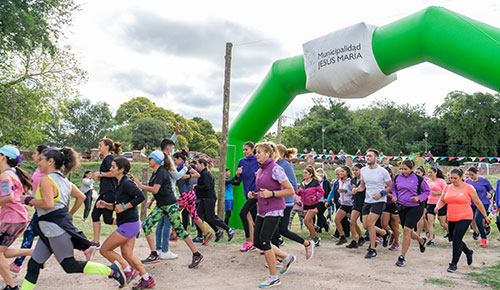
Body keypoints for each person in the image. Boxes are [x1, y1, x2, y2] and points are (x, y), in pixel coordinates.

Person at [20, 147, 126, 290]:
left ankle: (112, 270)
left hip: (54, 231)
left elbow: (48, 204)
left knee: (70, 265)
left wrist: (28, 200)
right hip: (50, 231)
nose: (38, 163)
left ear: (50, 161)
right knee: (33, 264)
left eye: (41, 160)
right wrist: (68, 214)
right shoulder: (64, 180)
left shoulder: (46, 180)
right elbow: (80, 197)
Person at [135, 150, 205, 269]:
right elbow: (156, 190)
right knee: (146, 225)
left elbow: (155, 189)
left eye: (150, 159)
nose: (148, 161)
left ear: (157, 160)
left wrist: (141, 186)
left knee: (180, 230)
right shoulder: (155, 172)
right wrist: (151, 201)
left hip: (170, 205)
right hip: (161, 205)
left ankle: (196, 254)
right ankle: (153, 254)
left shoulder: (162, 172)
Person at [97, 157, 155, 289]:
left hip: (129, 224)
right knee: (127, 255)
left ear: (121, 169)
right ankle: (147, 279)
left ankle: (128, 271)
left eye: (113, 167)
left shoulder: (127, 183)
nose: (110, 169)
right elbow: (118, 206)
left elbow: (140, 197)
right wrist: (106, 205)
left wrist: (125, 206)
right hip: (128, 223)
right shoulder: (119, 183)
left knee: (105, 250)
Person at [248, 142, 295, 288]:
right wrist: (255, 195)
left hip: (274, 209)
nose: (257, 155)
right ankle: (286, 257)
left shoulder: (276, 169)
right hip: (263, 208)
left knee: (264, 241)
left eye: (259, 152)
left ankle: (274, 277)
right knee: (257, 242)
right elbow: (264, 189)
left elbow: (290, 190)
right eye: (256, 152)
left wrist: (272, 194)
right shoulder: (262, 169)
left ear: (268, 153)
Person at [435, 169, 491, 272]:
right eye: (450, 178)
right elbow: (442, 199)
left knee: (456, 239)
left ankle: (453, 264)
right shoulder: (447, 187)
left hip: (465, 217)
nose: (452, 180)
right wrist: (438, 206)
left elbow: (478, 202)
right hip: (451, 217)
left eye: (455, 178)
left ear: (461, 177)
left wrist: (485, 216)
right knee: (455, 239)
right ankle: (468, 252)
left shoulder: (468, 188)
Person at [0, 146, 35, 290]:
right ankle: (34, 252)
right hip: (19, 217)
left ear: (3, 157)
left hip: (13, 218)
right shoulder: (14, 173)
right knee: (3, 252)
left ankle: (11, 286)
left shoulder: (5, 175)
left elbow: (7, 196)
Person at [10, 145, 48, 274]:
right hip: (39, 209)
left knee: (30, 234)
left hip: (44, 209)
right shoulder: (39, 169)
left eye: (34, 153)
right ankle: (37, 259)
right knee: (44, 236)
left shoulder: (45, 171)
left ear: (41, 155)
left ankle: (17, 265)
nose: (32, 155)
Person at [274, 144, 314, 260]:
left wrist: (275, 190)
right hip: (276, 201)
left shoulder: (286, 166)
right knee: (275, 230)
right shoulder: (275, 165)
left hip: (286, 202)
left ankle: (307, 243)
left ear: (281, 154)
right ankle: (276, 256)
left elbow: (292, 185)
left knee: (282, 230)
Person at [353, 148, 393, 259]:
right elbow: (362, 185)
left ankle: (372, 249)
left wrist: (381, 194)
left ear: (376, 158)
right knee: (365, 225)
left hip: (379, 201)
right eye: (367, 156)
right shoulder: (364, 170)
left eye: (370, 156)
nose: (368, 158)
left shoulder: (382, 171)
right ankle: (385, 233)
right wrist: (357, 189)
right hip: (368, 200)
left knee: (370, 224)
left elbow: (390, 186)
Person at [391, 159, 430, 267]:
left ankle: (402, 257)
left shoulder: (418, 178)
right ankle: (421, 240)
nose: (403, 171)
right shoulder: (398, 177)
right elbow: (393, 189)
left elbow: (427, 191)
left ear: (411, 169)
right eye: (401, 169)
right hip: (402, 207)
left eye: (405, 169)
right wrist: (394, 196)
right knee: (406, 230)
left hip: (415, 207)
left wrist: (419, 198)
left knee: (407, 230)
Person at [171, 151, 212, 247]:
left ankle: (174, 234)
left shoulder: (186, 167)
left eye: (175, 160)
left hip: (187, 194)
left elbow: (197, 174)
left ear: (180, 159)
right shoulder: (178, 168)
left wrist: (188, 176)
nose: (174, 162)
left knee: (173, 212)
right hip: (189, 194)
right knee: (194, 216)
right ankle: (206, 234)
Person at [194, 158, 234, 242]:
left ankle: (228, 229)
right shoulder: (202, 173)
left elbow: (206, 187)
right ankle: (204, 235)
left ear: (202, 164)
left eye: (197, 164)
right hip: (204, 198)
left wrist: (196, 187)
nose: (196, 166)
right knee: (199, 216)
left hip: (209, 198)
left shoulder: (206, 174)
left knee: (211, 217)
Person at [92, 138, 122, 246]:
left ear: (107, 147)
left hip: (109, 192)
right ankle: (96, 242)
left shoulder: (109, 159)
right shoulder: (106, 159)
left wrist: (101, 174)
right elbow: (108, 176)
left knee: (108, 220)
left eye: (100, 145)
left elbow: (113, 173)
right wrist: (100, 178)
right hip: (104, 192)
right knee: (95, 215)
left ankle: (129, 226)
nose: (99, 148)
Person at [235, 142, 260, 252]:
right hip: (247, 194)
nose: (244, 152)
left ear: (252, 149)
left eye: (246, 149)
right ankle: (258, 243)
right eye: (243, 150)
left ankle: (248, 241)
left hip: (255, 194)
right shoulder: (241, 161)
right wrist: (237, 174)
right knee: (255, 219)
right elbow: (238, 181)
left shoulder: (258, 160)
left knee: (242, 213)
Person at [465, 167, 494, 247]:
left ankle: (483, 238)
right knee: (472, 219)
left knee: (478, 219)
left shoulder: (484, 181)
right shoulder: (467, 182)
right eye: (469, 175)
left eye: (472, 174)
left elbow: (491, 189)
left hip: (483, 202)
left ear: (476, 173)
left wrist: (490, 194)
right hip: (472, 203)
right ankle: (480, 230)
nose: (470, 176)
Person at [296, 166, 324, 247]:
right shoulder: (302, 182)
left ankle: (316, 238)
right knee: (309, 223)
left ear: (311, 174)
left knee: (306, 221)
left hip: (314, 205)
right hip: (305, 205)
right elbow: (300, 193)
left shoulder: (315, 182)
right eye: (303, 172)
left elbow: (322, 192)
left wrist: (317, 197)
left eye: (306, 173)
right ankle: (315, 236)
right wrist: (297, 192)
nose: (304, 174)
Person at [426, 167, 448, 246]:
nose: (429, 174)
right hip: (430, 203)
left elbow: (446, 191)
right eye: (428, 173)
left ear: (435, 172)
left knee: (442, 223)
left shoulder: (441, 181)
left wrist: (438, 193)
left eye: (431, 172)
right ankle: (431, 239)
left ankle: (450, 233)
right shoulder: (427, 182)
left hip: (440, 203)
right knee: (430, 222)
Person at [346, 163, 366, 249]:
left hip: (365, 203)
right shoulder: (353, 180)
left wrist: (357, 190)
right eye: (354, 170)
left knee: (366, 224)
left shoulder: (365, 180)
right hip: (356, 203)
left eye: (356, 170)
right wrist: (352, 195)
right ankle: (354, 240)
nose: (355, 172)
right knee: (352, 221)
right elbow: (353, 191)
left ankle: (379, 236)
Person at [380, 166, 401, 251]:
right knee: (384, 224)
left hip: (394, 205)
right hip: (385, 204)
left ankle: (396, 242)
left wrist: (385, 193)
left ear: (390, 173)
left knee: (395, 225)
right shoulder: (381, 182)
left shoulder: (393, 183)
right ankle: (391, 233)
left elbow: (396, 196)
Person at [333, 166, 353, 245]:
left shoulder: (350, 181)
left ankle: (360, 238)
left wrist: (345, 191)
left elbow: (354, 192)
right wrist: (340, 198)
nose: (340, 173)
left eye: (343, 171)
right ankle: (342, 237)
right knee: (337, 220)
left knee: (353, 223)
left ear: (347, 173)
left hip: (351, 204)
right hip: (344, 204)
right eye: (340, 171)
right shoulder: (339, 181)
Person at [315, 168, 330, 233]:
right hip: (317, 200)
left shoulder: (326, 182)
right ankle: (325, 224)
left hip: (324, 200)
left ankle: (319, 228)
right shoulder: (315, 182)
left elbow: (329, 190)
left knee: (320, 214)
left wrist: (327, 198)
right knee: (319, 214)